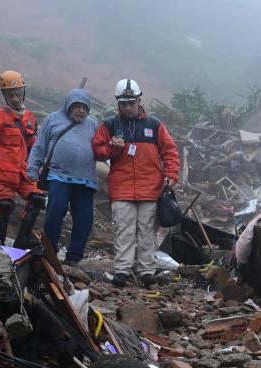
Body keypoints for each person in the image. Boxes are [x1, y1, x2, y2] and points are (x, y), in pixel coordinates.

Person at [92, 78, 179, 287]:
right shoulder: (110, 125)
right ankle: (122, 270)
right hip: (122, 188)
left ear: (139, 100)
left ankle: (146, 271)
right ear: (117, 103)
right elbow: (96, 149)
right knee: (124, 230)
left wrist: (172, 175)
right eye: (123, 103)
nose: (128, 107)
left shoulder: (154, 125)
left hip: (151, 188)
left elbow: (170, 151)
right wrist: (112, 150)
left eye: (131, 103)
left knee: (147, 231)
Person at [26, 89, 98, 266]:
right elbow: (39, 146)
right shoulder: (53, 119)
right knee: (55, 212)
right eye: (77, 106)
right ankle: (50, 251)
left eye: (84, 107)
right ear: (68, 106)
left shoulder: (93, 124)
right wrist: (32, 168)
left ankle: (74, 257)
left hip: (86, 180)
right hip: (59, 176)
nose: (81, 111)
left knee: (84, 219)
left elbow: (102, 149)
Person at [0, 69, 44, 247]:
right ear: (4, 95)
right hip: (2, 172)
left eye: (18, 94)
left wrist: (38, 165)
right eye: (11, 95)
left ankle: (22, 239)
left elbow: (33, 145)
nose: (15, 98)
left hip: (23, 172)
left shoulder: (29, 117)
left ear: (23, 93)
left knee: (37, 199)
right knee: (5, 205)